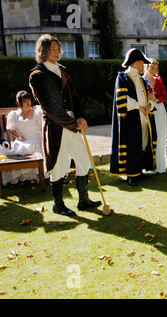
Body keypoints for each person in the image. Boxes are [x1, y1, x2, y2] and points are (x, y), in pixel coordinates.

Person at [29, 34, 101, 216]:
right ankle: (58, 204)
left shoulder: (63, 70)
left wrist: (81, 117)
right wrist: (71, 123)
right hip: (56, 126)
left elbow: (74, 96)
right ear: (43, 51)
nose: (57, 52)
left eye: (58, 49)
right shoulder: (37, 75)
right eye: (52, 49)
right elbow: (51, 107)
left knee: (84, 159)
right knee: (59, 166)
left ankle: (83, 200)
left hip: (71, 124)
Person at [110, 48, 157, 186]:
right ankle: (131, 174)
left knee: (142, 143)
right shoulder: (122, 77)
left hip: (143, 116)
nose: (143, 65)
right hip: (131, 118)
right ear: (135, 62)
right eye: (142, 62)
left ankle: (139, 171)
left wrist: (149, 106)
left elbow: (146, 96)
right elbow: (122, 99)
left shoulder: (142, 80)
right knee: (132, 145)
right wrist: (138, 107)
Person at [1, 91, 48, 186]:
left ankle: (36, 176)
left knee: (28, 149)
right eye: (25, 101)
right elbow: (12, 130)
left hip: (35, 138)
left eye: (29, 100)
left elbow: (42, 129)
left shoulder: (37, 113)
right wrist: (18, 137)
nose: (28, 102)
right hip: (22, 140)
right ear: (19, 103)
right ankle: (20, 177)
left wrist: (43, 140)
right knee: (18, 148)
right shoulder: (14, 114)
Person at [143, 58, 167, 174]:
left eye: (156, 68)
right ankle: (149, 165)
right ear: (146, 67)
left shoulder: (159, 80)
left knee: (160, 137)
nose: (154, 70)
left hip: (160, 111)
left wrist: (157, 99)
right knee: (149, 138)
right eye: (152, 67)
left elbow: (164, 97)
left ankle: (159, 164)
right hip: (147, 112)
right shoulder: (141, 80)